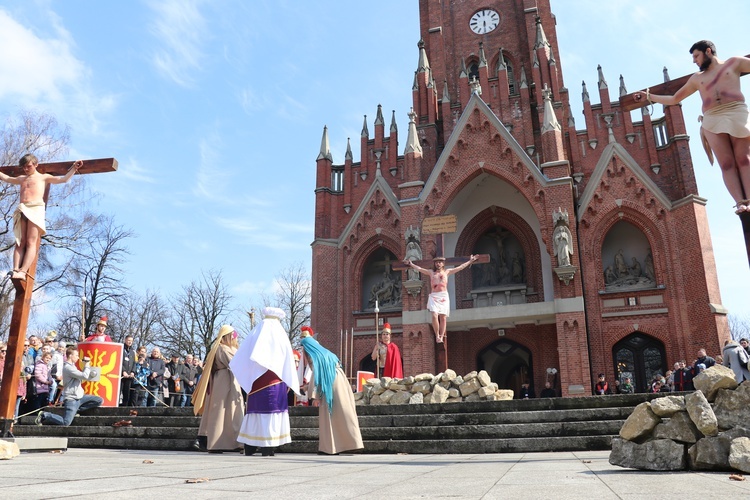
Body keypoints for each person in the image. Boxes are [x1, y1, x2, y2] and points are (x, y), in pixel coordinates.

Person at [634, 41, 750, 213]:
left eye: (696, 56)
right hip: (712, 118)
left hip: (736, 112)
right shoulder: (697, 79)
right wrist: (649, 96)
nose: (694, 61)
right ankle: (740, 202)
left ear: (708, 51)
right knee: (726, 163)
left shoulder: (734, 63)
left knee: (743, 158)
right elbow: (674, 98)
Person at [229, 309, 300, 457]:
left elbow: (241, 358)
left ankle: (250, 446)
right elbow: (287, 362)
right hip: (275, 381)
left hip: (256, 382)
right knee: (271, 412)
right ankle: (267, 447)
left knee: (255, 412)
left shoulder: (255, 334)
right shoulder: (280, 336)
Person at [0, 154, 81, 280]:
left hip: (36, 209)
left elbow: (63, 179)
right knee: (20, 241)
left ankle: (23, 271)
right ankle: (15, 269)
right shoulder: (22, 178)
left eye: (28, 166)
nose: (26, 169)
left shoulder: (43, 178)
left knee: (31, 241)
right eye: (24, 167)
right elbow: (6, 178)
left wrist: (74, 168)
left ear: (35, 164)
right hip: (22, 209)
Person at [300, 334, 363, 455]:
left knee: (328, 417)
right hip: (340, 384)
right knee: (342, 415)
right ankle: (350, 442)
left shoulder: (316, 357)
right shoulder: (327, 353)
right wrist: (308, 387)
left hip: (328, 388)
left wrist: (314, 396)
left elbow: (317, 377)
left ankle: (330, 448)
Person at [193, 325, 245, 453]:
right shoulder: (222, 348)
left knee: (231, 412)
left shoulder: (222, 348)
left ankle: (232, 442)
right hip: (225, 381)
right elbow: (234, 363)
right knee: (222, 411)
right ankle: (218, 443)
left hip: (227, 380)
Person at [405, 255, 478, 343]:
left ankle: (441, 335)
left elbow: (460, 267)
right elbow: (420, 269)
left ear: (443, 263)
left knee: (443, 317)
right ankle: (437, 335)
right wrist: (411, 264)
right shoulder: (431, 272)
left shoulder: (447, 272)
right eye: (436, 262)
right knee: (435, 315)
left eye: (440, 262)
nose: (438, 264)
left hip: (443, 296)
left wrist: (470, 261)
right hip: (434, 296)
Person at [36, 346, 102, 426]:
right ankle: (45, 415)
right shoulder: (68, 368)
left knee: (99, 400)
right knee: (66, 423)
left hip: (80, 397)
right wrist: (87, 365)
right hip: (71, 399)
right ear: (70, 356)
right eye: (76, 355)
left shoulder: (73, 366)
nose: (78, 357)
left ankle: (76, 410)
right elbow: (84, 376)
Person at [120, 335, 137, 406]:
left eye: (131, 341)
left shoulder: (133, 352)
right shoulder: (121, 349)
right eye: (128, 340)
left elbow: (134, 363)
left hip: (129, 376)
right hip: (121, 376)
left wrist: (133, 372)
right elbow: (118, 361)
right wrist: (123, 371)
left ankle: (124, 408)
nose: (130, 342)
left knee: (126, 393)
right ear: (125, 340)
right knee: (118, 392)